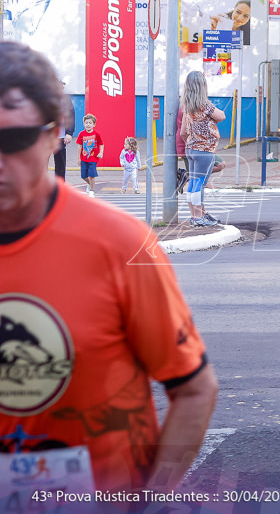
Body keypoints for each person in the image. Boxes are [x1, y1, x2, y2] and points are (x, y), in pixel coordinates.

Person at [0, 42, 218, 493]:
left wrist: (149, 498)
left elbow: (194, 389)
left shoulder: (120, 244)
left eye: (13, 140)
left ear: (55, 134)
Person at [180, 71, 227, 228]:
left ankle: (194, 216)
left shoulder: (187, 106)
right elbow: (221, 116)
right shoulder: (205, 104)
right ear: (202, 86)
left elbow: (183, 132)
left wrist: (192, 143)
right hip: (205, 150)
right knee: (199, 184)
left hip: (191, 149)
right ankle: (199, 217)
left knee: (193, 183)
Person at [76, 113, 103, 196]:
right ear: (84, 124)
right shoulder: (81, 134)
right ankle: (89, 184)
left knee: (91, 175)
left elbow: (101, 144)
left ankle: (92, 190)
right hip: (84, 158)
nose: (88, 125)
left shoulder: (96, 134)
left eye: (90, 123)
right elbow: (79, 147)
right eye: (86, 123)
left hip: (93, 159)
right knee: (83, 176)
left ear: (94, 124)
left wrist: (101, 152)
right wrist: (79, 158)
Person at [53, 82, 75, 179]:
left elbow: (71, 117)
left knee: (60, 165)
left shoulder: (66, 101)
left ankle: (60, 187)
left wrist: (69, 133)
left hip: (60, 137)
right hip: (46, 138)